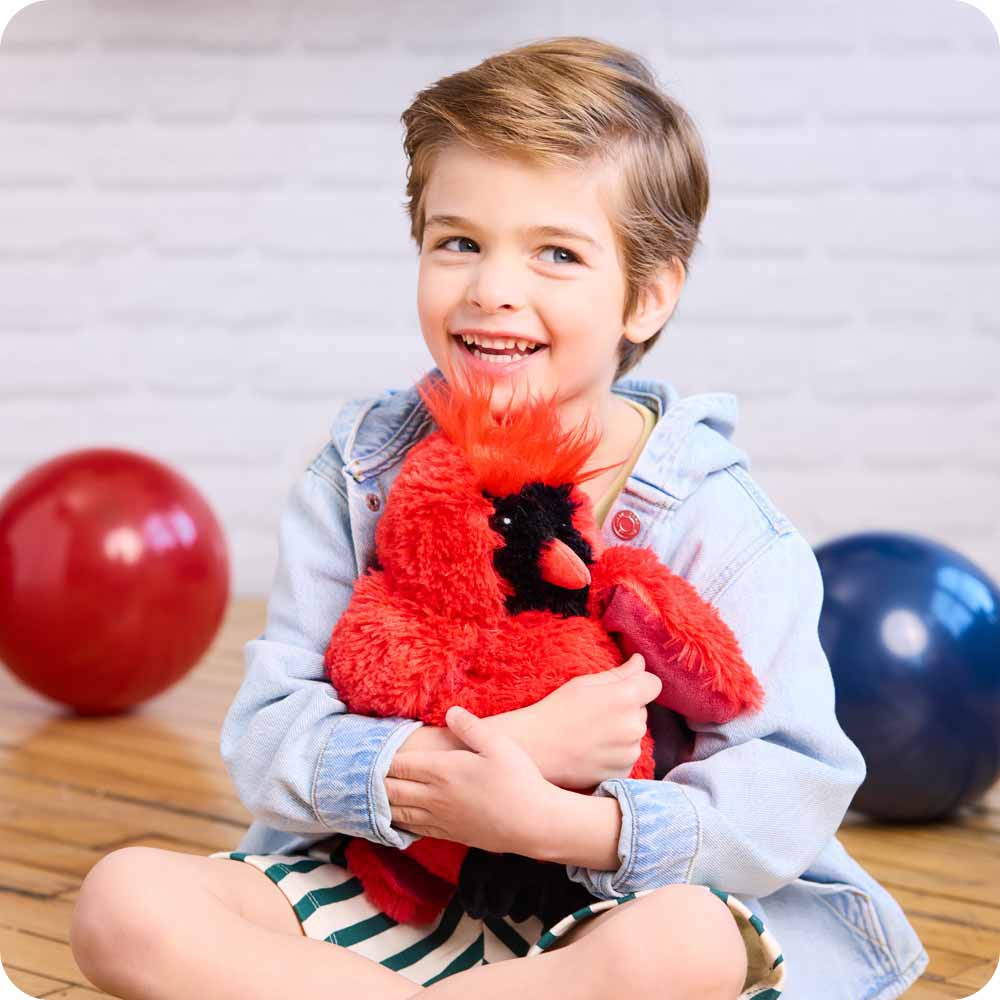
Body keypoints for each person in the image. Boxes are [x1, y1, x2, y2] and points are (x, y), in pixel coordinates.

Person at [68, 36, 930, 1000]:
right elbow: (271, 733)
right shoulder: (362, 474)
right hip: (385, 891)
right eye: (458, 241)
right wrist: (488, 757)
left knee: (687, 943)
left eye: (556, 253)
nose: (491, 289)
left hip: (609, 917)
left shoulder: (722, 522)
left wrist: (553, 822)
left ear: (647, 294)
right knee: (122, 900)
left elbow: (786, 792)